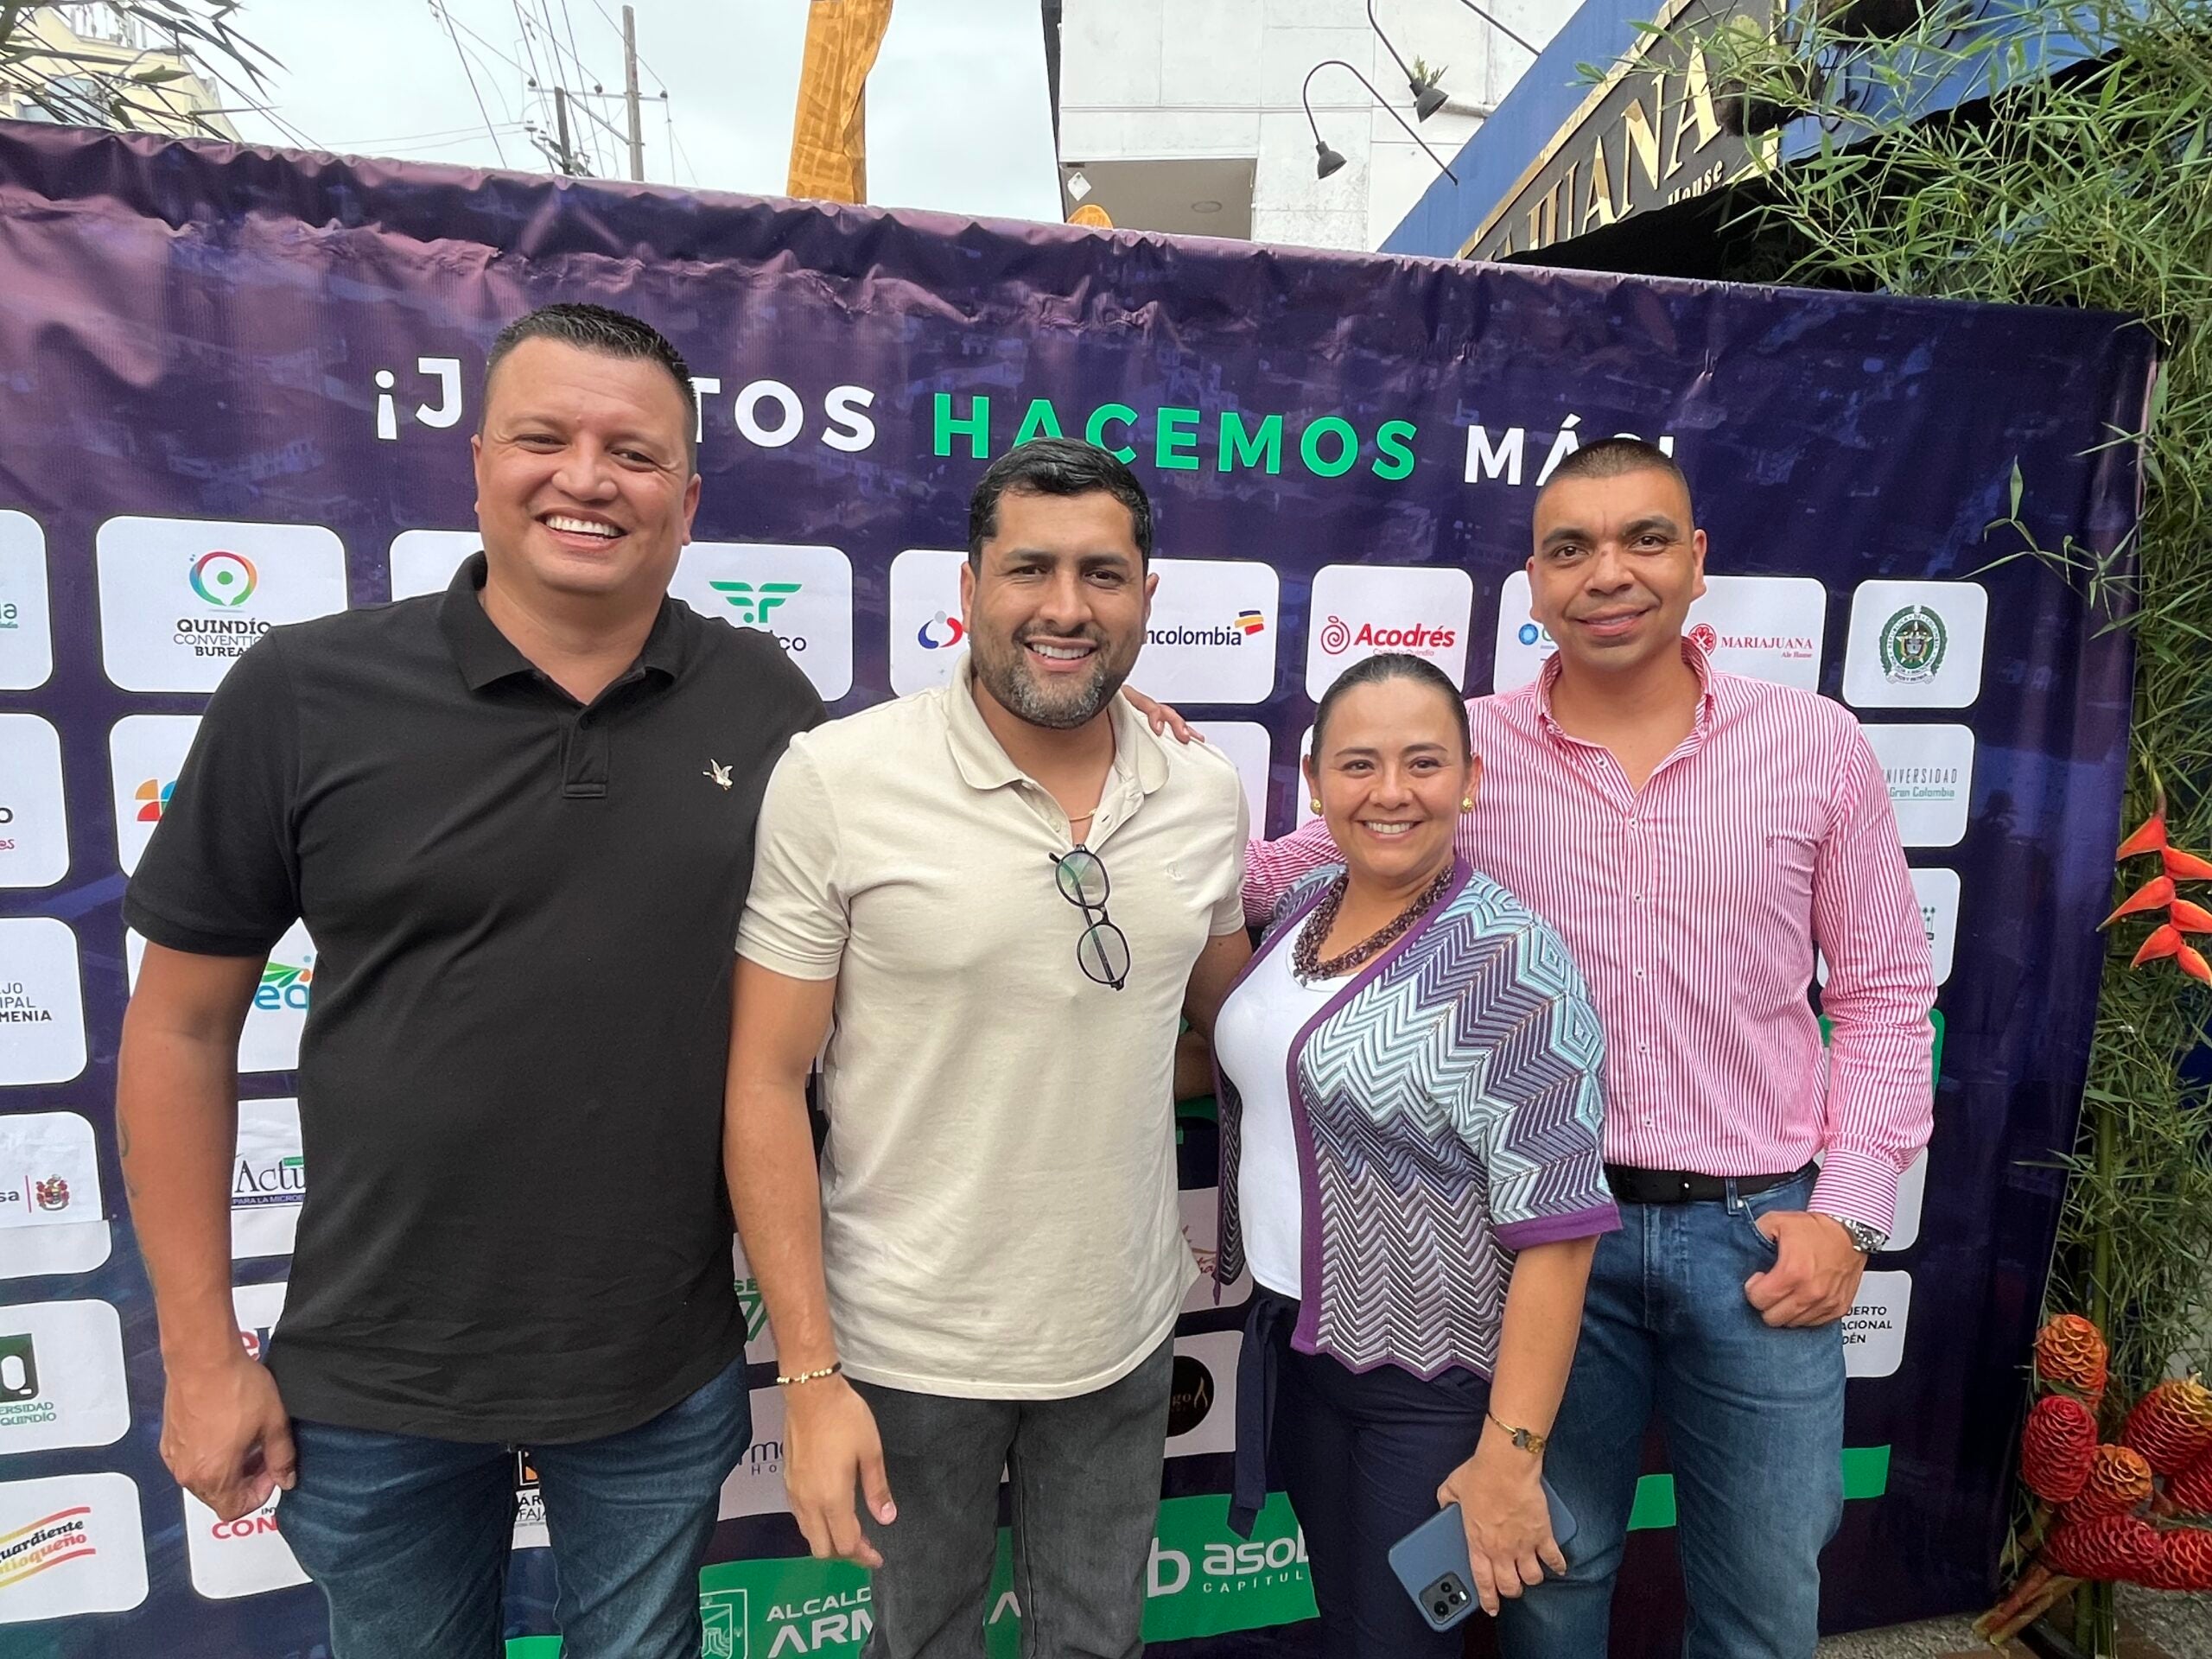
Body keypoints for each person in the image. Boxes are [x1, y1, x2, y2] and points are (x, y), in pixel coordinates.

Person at [1147, 437, 1936, 1659]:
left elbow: (1886, 991)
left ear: (1698, 563)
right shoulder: (1466, 756)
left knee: (1767, 1596)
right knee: (1548, 1586)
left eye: (1644, 540)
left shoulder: (1813, 744)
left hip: (1757, 1240)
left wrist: (1852, 1212)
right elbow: (1253, 880)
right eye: (1571, 548)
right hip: (1533, 1262)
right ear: (1533, 580)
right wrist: (1134, 756)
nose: (1608, 574)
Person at [118, 303, 824, 1658]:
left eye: (632, 452)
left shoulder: (766, 700)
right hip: (377, 1367)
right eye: (543, 437)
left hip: (654, 1363)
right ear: (479, 463)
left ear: (686, 497)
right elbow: (183, 1030)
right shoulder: (305, 690)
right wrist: (201, 1355)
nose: (585, 477)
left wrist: (1096, 730)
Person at [725, 436, 1251, 1659]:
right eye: (1030, 570)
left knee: (1095, 1642)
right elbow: (762, 1080)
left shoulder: (1203, 791)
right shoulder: (840, 779)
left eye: (1103, 575)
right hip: (911, 1345)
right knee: (926, 1643)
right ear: (968, 591)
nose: (1065, 608)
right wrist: (807, 1376)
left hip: (1122, 1327)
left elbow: (1240, 1023)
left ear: (1147, 599)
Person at [1213, 652, 1616, 1657]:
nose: (1390, 792)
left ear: (1471, 780)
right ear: (1313, 786)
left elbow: (1558, 1237)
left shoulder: (1510, 966)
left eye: (1423, 763)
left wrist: (1509, 1455)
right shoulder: (1306, 905)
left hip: (1431, 1392)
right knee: (1350, 1623)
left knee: (1402, 1639)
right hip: (1302, 1349)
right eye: (1357, 765)